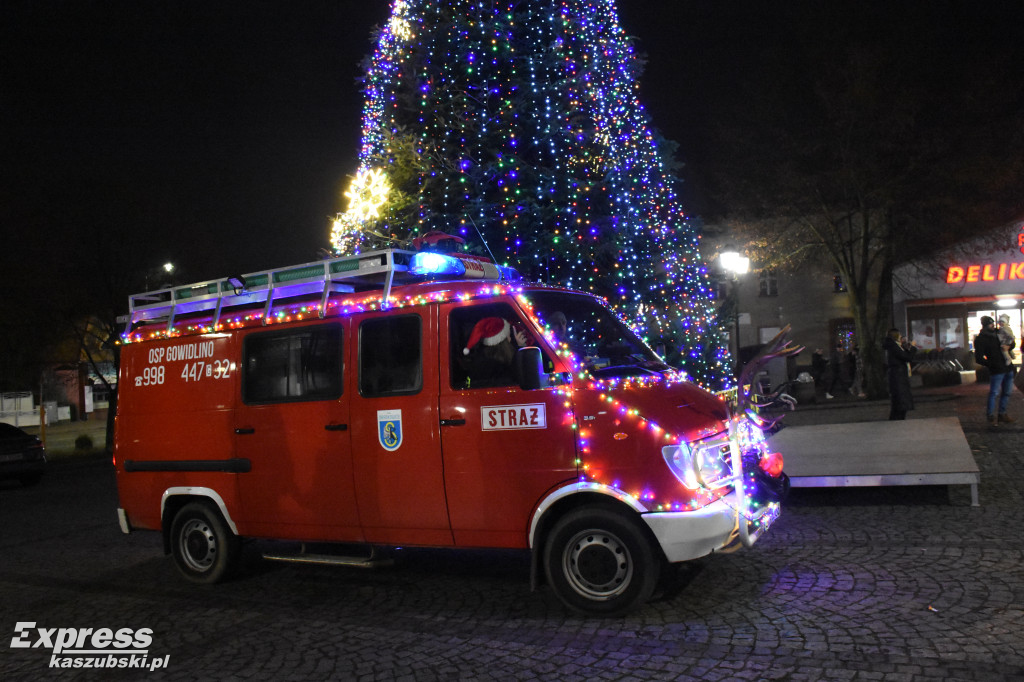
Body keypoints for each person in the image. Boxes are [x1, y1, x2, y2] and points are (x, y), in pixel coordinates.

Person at [461, 316, 530, 387]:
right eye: (509, 336)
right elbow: (518, 380)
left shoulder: (485, 359)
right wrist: (520, 348)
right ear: (502, 341)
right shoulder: (493, 365)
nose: (510, 339)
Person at [974, 316, 1015, 426]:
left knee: (1005, 392)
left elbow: (1011, 343)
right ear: (985, 325)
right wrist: (991, 364)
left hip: (1007, 367)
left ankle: (1001, 414)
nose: (993, 325)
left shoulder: (998, 333)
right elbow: (979, 358)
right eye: (990, 324)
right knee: (994, 393)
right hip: (998, 369)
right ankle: (991, 416)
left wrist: (1009, 346)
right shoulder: (981, 339)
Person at [882, 328, 916, 420]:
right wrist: (912, 348)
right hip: (898, 376)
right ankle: (897, 418)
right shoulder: (893, 346)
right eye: (900, 335)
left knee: (899, 400)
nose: (901, 337)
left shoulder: (893, 346)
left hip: (898, 375)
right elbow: (906, 357)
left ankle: (897, 417)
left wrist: (906, 348)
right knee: (900, 399)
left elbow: (903, 355)